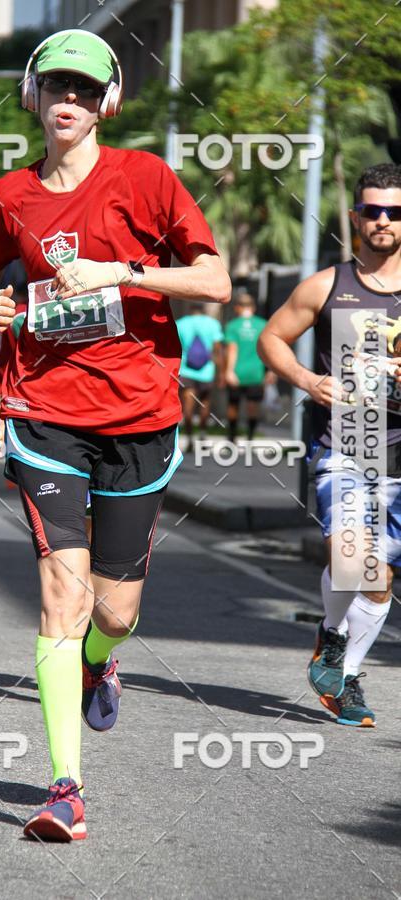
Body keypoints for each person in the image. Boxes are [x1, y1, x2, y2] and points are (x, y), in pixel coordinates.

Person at [0, 28, 230, 842]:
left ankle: (99, 662)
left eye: (84, 90)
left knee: (115, 611)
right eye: (55, 88)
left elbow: (215, 280)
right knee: (62, 599)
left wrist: (124, 272)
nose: (68, 102)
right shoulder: (11, 193)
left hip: (142, 414)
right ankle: (65, 790)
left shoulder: (146, 178)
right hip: (45, 413)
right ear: (32, 97)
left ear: (106, 101)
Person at [258, 162, 401, 728]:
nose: (383, 221)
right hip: (345, 443)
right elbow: (272, 337)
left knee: (380, 580)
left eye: (394, 212)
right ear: (356, 217)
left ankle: (341, 666)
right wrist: (309, 381)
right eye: (372, 211)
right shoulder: (328, 286)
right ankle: (335, 644)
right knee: (351, 559)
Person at [223, 292, 275, 443]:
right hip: (256, 372)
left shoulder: (232, 325)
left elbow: (232, 349)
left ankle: (232, 437)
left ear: (237, 308)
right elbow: (269, 349)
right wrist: (271, 370)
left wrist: (228, 371)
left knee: (233, 405)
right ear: (253, 307)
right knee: (253, 406)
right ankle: (250, 437)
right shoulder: (263, 324)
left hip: (237, 372)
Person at [176, 302, 224, 451]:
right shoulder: (213, 324)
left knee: (187, 407)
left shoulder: (180, 323)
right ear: (203, 311)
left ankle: (190, 439)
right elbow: (217, 349)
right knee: (205, 404)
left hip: (186, 370)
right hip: (206, 371)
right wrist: (221, 371)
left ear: (191, 310)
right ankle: (202, 435)